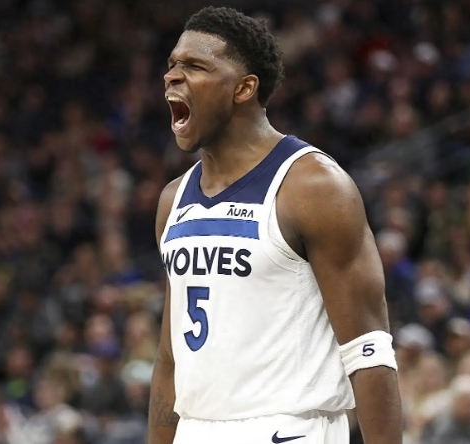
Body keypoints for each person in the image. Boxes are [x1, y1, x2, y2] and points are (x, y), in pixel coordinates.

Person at [148, 6, 402, 444]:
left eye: (194, 66)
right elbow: (171, 359)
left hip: (288, 428)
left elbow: (369, 351)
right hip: (196, 427)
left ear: (244, 88)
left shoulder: (313, 187)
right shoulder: (173, 199)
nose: (172, 76)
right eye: (172, 64)